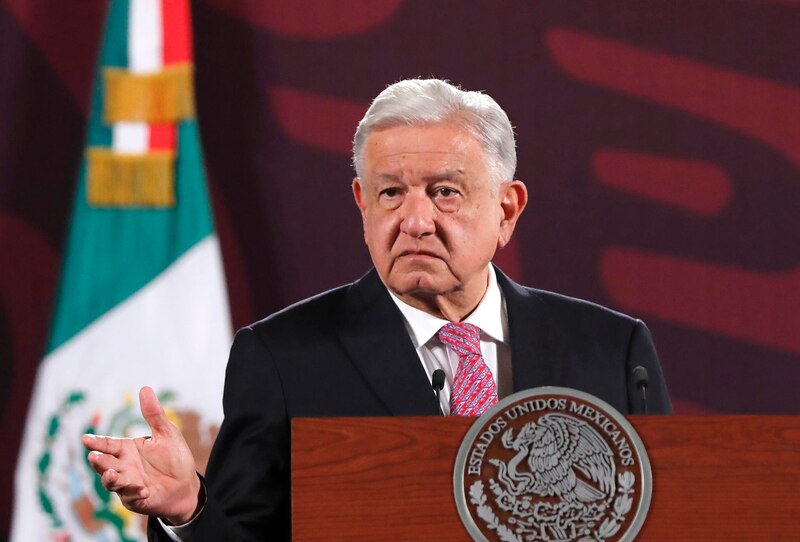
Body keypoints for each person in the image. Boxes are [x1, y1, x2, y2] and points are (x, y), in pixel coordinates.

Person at [82, 78, 671, 540]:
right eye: (392, 193)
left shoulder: (612, 352)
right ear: (363, 204)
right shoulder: (284, 358)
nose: (415, 221)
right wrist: (190, 509)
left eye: (445, 191)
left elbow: (672, 522)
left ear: (507, 210)